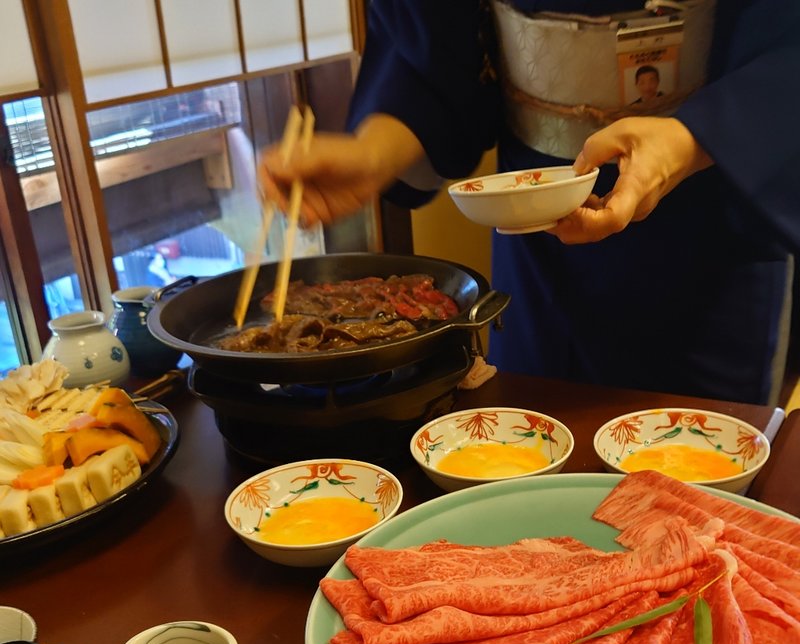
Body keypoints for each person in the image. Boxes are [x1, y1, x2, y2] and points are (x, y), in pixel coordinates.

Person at [261, 1, 800, 406]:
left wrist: (693, 136)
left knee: (706, 497)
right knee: (530, 449)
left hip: (714, 207)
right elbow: (433, 53)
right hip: (538, 221)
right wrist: (373, 153)